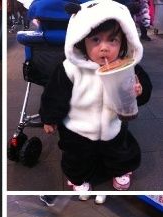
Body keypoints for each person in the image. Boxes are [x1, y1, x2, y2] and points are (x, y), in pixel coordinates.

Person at [40, 0, 152, 192]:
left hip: (112, 124)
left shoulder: (127, 67)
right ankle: (76, 177)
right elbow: (54, 95)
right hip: (77, 127)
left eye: (112, 40)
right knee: (77, 157)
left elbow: (141, 91)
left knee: (119, 152)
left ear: (125, 41)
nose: (104, 48)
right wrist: (49, 118)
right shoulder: (71, 68)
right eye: (96, 40)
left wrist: (139, 92)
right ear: (82, 40)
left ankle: (121, 170)